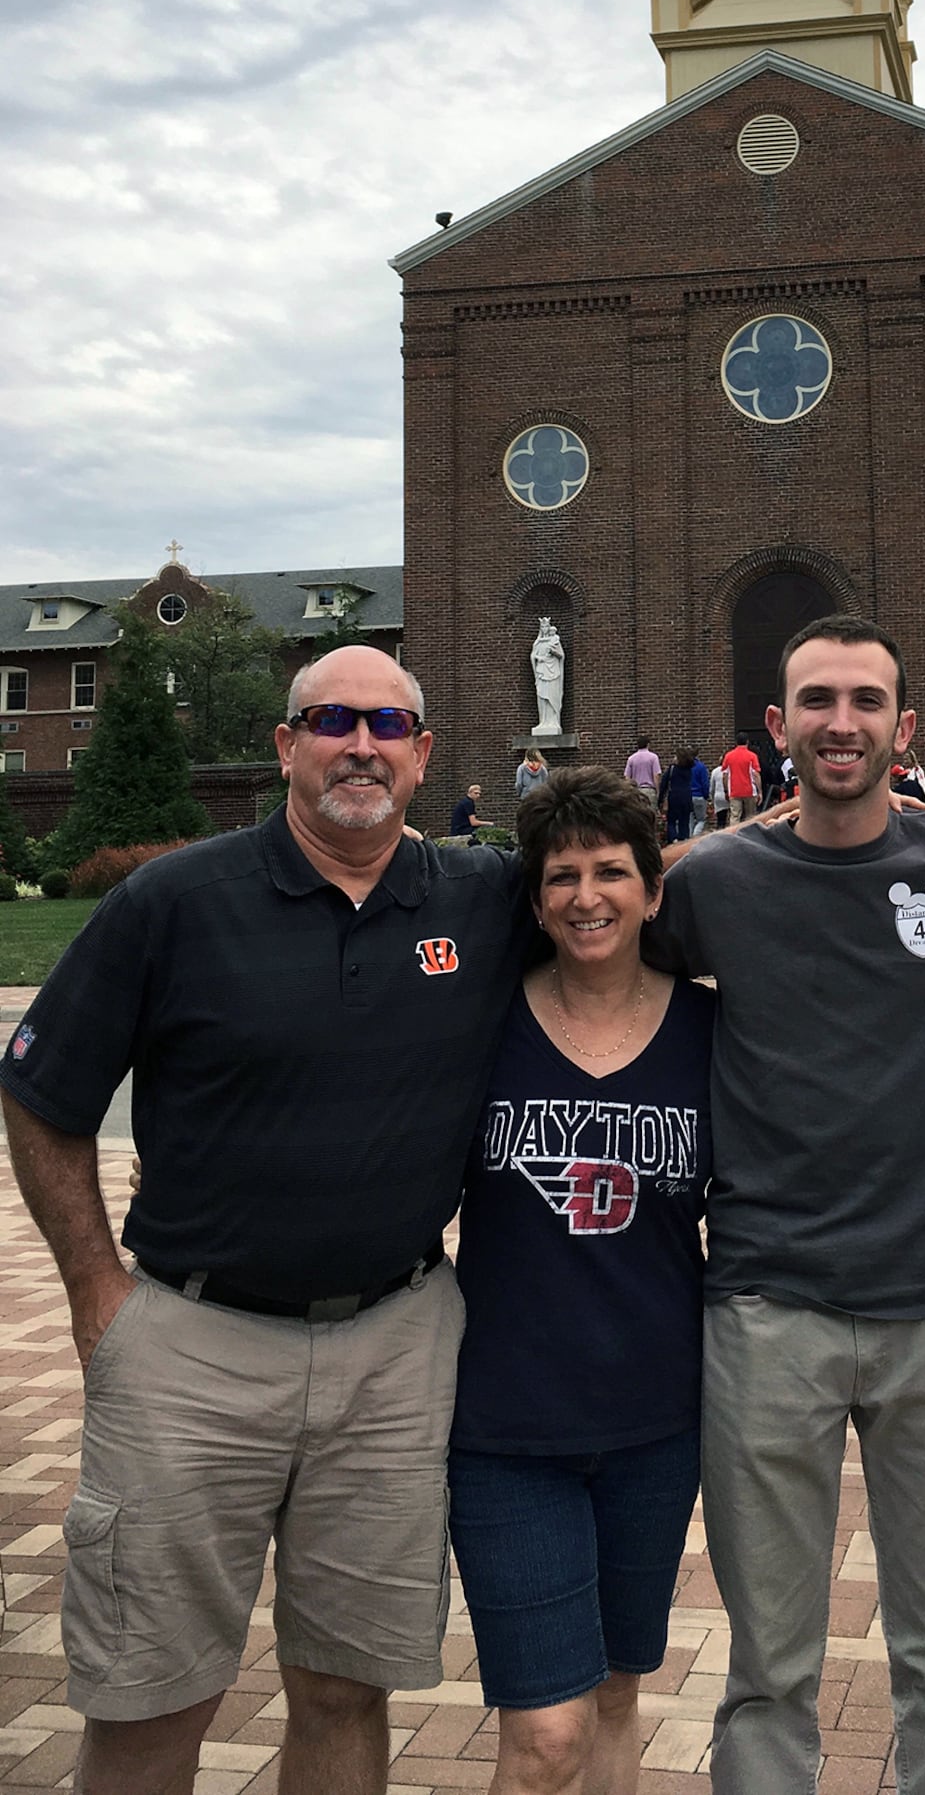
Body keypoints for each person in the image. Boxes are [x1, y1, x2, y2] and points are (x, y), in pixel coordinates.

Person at [0, 647, 531, 1795]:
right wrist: (96, 1292)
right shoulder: (174, 902)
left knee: (345, 1687)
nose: (361, 743)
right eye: (329, 719)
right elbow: (39, 1095)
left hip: (394, 1348)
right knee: (155, 1694)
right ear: (287, 746)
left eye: (388, 722)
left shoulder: (478, 895)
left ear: (424, 753)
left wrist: (841, 807)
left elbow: (645, 886)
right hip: (194, 1346)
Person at [647, 614, 925, 1795]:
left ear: (903, 727)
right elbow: (578, 941)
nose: (838, 722)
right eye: (816, 700)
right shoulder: (715, 884)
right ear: (777, 725)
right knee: (768, 1663)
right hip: (767, 1310)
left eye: (864, 702)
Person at [448, 767, 714, 1795]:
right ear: (534, 898)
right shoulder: (481, 1026)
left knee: (612, 1692)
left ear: (653, 888)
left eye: (612, 870)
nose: (587, 894)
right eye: (562, 875)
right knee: (545, 1731)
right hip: (508, 1427)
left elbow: (810, 1144)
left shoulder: (707, 1032)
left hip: (656, 1416)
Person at [658, 747, 699, 845]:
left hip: (674, 797)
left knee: (671, 821)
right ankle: (684, 840)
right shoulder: (689, 769)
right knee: (684, 821)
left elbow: (664, 784)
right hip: (686, 797)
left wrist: (660, 800)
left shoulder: (673, 769)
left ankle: (674, 839)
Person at [720, 735, 760, 823]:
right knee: (751, 816)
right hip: (749, 790)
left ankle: (733, 834)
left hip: (734, 790)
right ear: (747, 742)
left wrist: (726, 790)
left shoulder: (728, 756)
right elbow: (756, 774)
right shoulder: (752, 756)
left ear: (736, 742)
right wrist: (760, 791)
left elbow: (725, 775)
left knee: (735, 815)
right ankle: (750, 834)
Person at [689, 748, 711, 834]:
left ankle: (689, 838)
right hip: (699, 796)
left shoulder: (685, 767)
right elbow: (705, 783)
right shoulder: (701, 767)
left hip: (687, 796)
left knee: (689, 820)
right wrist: (706, 796)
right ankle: (696, 836)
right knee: (701, 820)